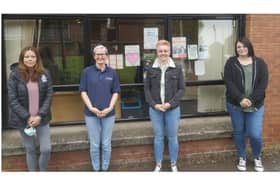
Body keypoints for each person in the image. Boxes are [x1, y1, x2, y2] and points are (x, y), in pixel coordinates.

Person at [224, 37, 268, 172]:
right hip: (235, 104)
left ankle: (256, 157)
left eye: (244, 46)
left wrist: (251, 100)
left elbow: (263, 84)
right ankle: (242, 157)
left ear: (249, 47)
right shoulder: (231, 62)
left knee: (255, 133)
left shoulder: (260, 63)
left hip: (255, 105)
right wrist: (240, 99)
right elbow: (228, 82)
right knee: (239, 132)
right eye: (238, 47)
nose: (241, 49)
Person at [8, 46, 53, 171]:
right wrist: (27, 117)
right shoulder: (15, 75)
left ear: (37, 59)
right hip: (24, 121)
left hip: (42, 119)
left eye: (33, 56)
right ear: (22, 59)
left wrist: (39, 116)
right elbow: (13, 99)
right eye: (26, 57)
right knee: (30, 149)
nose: (30, 59)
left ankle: (42, 173)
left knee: (46, 149)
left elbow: (49, 95)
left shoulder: (45, 73)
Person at [144, 40, 185, 172]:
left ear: (170, 52)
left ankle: (173, 163)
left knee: (172, 137)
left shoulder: (177, 68)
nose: (163, 53)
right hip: (155, 109)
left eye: (165, 51)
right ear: (157, 52)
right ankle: (158, 164)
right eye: (160, 51)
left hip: (172, 109)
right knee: (158, 137)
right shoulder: (150, 68)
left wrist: (169, 104)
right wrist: (154, 105)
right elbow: (146, 90)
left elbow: (182, 89)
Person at [79, 45, 120, 171]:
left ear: (107, 56)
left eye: (103, 54)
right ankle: (96, 169)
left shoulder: (112, 72)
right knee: (95, 144)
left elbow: (116, 92)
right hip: (91, 114)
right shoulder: (87, 72)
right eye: (97, 54)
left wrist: (110, 107)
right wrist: (91, 108)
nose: (100, 56)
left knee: (106, 144)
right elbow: (83, 91)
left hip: (109, 114)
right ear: (94, 56)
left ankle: (105, 168)